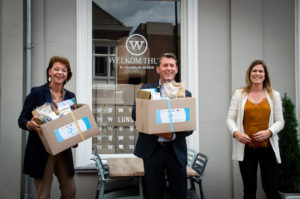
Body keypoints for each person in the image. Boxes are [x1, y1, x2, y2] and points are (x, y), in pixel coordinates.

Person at [132, 53, 194, 199]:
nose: (169, 68)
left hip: (175, 151)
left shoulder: (185, 93)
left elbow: (189, 126)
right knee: (153, 193)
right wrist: (154, 128)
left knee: (179, 194)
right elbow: (136, 114)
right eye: (165, 65)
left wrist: (171, 135)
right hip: (152, 151)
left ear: (177, 69)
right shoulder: (146, 89)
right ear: (158, 69)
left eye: (172, 65)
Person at [18, 56, 76, 199]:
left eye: (64, 70)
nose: (60, 73)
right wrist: (29, 125)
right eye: (56, 69)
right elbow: (22, 119)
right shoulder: (37, 93)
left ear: (67, 74)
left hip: (63, 150)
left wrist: (76, 136)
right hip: (42, 150)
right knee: (43, 195)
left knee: (70, 191)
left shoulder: (70, 96)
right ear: (49, 71)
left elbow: (73, 121)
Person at [226, 60, 284, 199]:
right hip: (246, 149)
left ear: (265, 75)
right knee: (249, 189)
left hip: (268, 148)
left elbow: (280, 121)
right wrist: (236, 133)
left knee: (270, 188)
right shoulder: (239, 94)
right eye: (254, 71)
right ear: (249, 74)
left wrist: (269, 132)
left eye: (260, 71)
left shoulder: (274, 95)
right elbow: (230, 118)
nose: (257, 73)